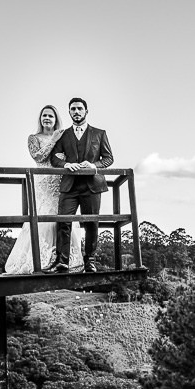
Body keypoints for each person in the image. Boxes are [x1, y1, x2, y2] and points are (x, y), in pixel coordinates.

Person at [4, 105, 84, 273]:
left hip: (61, 182)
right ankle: (41, 259)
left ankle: (64, 260)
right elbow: (38, 156)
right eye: (44, 116)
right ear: (40, 119)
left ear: (56, 120)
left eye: (51, 116)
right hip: (43, 182)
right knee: (44, 217)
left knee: (62, 216)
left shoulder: (64, 136)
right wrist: (53, 140)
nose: (47, 118)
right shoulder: (33, 138)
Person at [46, 97, 113, 273]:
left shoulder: (99, 133)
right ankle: (62, 261)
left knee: (91, 223)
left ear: (86, 111)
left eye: (79, 109)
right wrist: (65, 164)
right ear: (69, 112)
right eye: (73, 109)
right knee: (63, 222)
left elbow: (108, 159)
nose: (76, 112)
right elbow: (53, 158)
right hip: (69, 186)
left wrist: (94, 166)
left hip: (92, 186)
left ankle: (90, 260)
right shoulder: (64, 135)